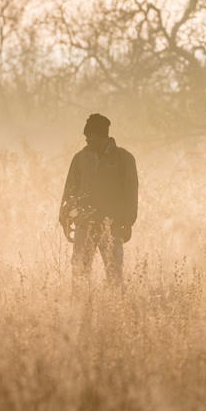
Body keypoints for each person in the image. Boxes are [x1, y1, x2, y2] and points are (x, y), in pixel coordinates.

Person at [59, 113, 138, 287]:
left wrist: (128, 223)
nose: (87, 140)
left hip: (112, 226)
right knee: (79, 274)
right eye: (86, 137)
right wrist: (64, 217)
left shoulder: (123, 158)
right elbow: (69, 190)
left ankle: (116, 310)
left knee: (114, 275)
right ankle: (80, 310)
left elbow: (131, 192)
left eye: (91, 137)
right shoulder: (79, 158)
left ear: (103, 136)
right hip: (83, 225)